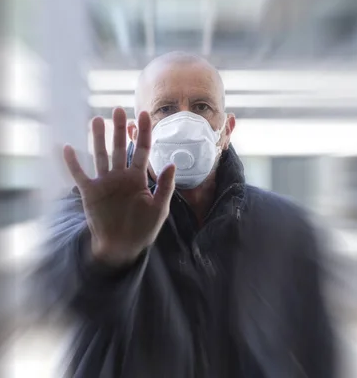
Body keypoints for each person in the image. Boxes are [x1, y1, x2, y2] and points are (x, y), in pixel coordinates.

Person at [40, 52, 335, 377]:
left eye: (201, 107)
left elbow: (319, 354)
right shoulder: (98, 212)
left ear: (226, 130)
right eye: (165, 109)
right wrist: (108, 255)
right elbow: (60, 288)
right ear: (137, 133)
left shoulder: (286, 229)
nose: (184, 123)